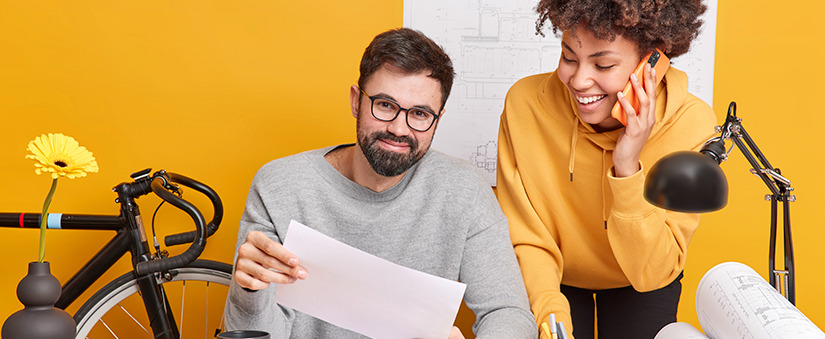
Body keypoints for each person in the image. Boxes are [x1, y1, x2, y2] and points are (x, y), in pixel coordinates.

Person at [223, 27, 537, 339]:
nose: (400, 129)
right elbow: (254, 334)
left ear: (438, 119)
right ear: (356, 101)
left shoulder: (464, 190)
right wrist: (249, 290)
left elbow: (508, 312)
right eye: (385, 105)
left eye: (420, 113)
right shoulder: (281, 186)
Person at [495, 1, 717, 338]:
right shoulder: (525, 104)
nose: (580, 80)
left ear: (652, 63)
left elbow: (652, 272)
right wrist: (550, 319)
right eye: (569, 57)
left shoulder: (690, 123)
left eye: (604, 65)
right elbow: (527, 236)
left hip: (641, 280)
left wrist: (627, 164)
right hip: (553, 279)